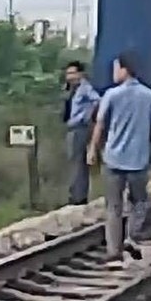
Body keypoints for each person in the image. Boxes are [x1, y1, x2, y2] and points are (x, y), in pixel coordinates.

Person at [87, 51, 151, 268]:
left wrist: (92, 150)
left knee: (113, 207)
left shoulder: (111, 95)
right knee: (141, 202)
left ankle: (113, 253)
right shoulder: (150, 96)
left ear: (124, 70)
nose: (114, 72)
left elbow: (100, 124)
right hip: (138, 160)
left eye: (116, 68)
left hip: (113, 159)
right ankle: (131, 237)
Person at [62, 60, 100, 205]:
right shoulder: (71, 89)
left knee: (78, 162)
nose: (70, 76)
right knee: (74, 161)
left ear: (80, 73)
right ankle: (75, 193)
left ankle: (79, 197)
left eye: (72, 73)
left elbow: (97, 100)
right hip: (71, 128)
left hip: (80, 128)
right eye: (68, 73)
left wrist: (88, 115)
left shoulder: (85, 88)